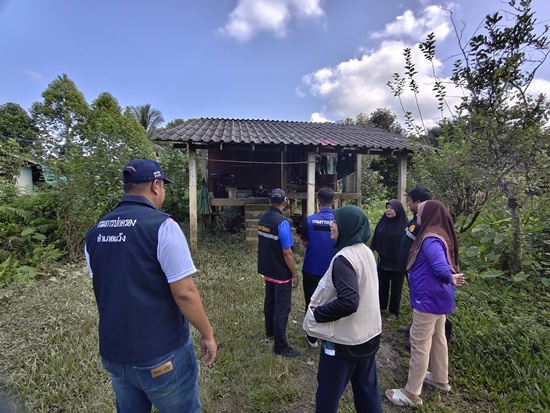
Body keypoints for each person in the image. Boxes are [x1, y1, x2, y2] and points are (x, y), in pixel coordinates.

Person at [84, 159, 217, 413]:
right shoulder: (163, 226)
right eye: (163, 186)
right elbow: (185, 293)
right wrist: (207, 334)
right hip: (161, 355)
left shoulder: (95, 232)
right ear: (156, 186)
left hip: (115, 355)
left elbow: (108, 283)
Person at [303, 205, 383, 413]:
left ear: (347, 226)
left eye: (335, 221)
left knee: (328, 394)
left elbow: (349, 301)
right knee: (367, 392)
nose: (331, 224)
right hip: (368, 335)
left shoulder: (344, 260)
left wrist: (318, 314)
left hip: (343, 342)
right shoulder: (366, 251)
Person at [386, 200, 466, 407]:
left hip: (428, 298)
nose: (418, 216)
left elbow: (439, 266)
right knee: (438, 337)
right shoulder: (441, 234)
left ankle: (411, 393)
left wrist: (450, 277)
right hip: (439, 297)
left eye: (420, 213)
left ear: (429, 215)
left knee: (419, 342)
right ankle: (440, 379)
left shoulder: (430, 238)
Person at [257, 188, 300, 358]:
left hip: (267, 270)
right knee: (282, 308)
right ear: (285, 202)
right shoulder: (282, 223)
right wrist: (294, 274)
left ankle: (270, 333)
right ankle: (280, 346)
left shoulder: (263, 219)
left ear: (270, 201)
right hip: (281, 273)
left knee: (270, 302)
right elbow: (287, 252)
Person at [300, 188, 336, 348]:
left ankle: (312, 336)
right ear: (333, 202)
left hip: (311, 268)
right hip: (333, 269)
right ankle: (329, 334)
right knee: (332, 301)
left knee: (311, 300)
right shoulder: (339, 221)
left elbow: (305, 241)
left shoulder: (310, 220)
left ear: (318, 202)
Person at [370, 199, 409, 321]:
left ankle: (393, 311)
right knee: (382, 284)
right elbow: (376, 236)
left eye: (392, 208)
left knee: (396, 287)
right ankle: (381, 307)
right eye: (387, 208)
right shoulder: (382, 222)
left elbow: (407, 244)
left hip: (398, 261)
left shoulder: (404, 226)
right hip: (384, 259)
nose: (389, 210)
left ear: (398, 210)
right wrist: (372, 249)